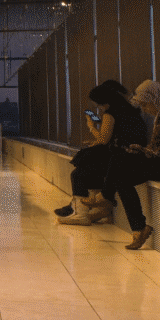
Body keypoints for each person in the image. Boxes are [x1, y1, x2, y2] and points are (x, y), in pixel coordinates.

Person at [84, 80, 160, 249]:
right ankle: (139, 229)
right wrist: (139, 150)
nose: (146, 110)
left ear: (154, 99)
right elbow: (156, 149)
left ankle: (107, 197)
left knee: (119, 159)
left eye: (146, 105)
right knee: (121, 177)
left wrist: (139, 151)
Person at [57, 80, 146, 225]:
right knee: (87, 169)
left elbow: (104, 140)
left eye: (97, 104)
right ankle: (93, 209)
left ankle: (81, 212)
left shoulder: (111, 113)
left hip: (118, 157)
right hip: (128, 154)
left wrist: (91, 126)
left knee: (79, 173)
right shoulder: (128, 110)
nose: (97, 107)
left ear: (103, 101)